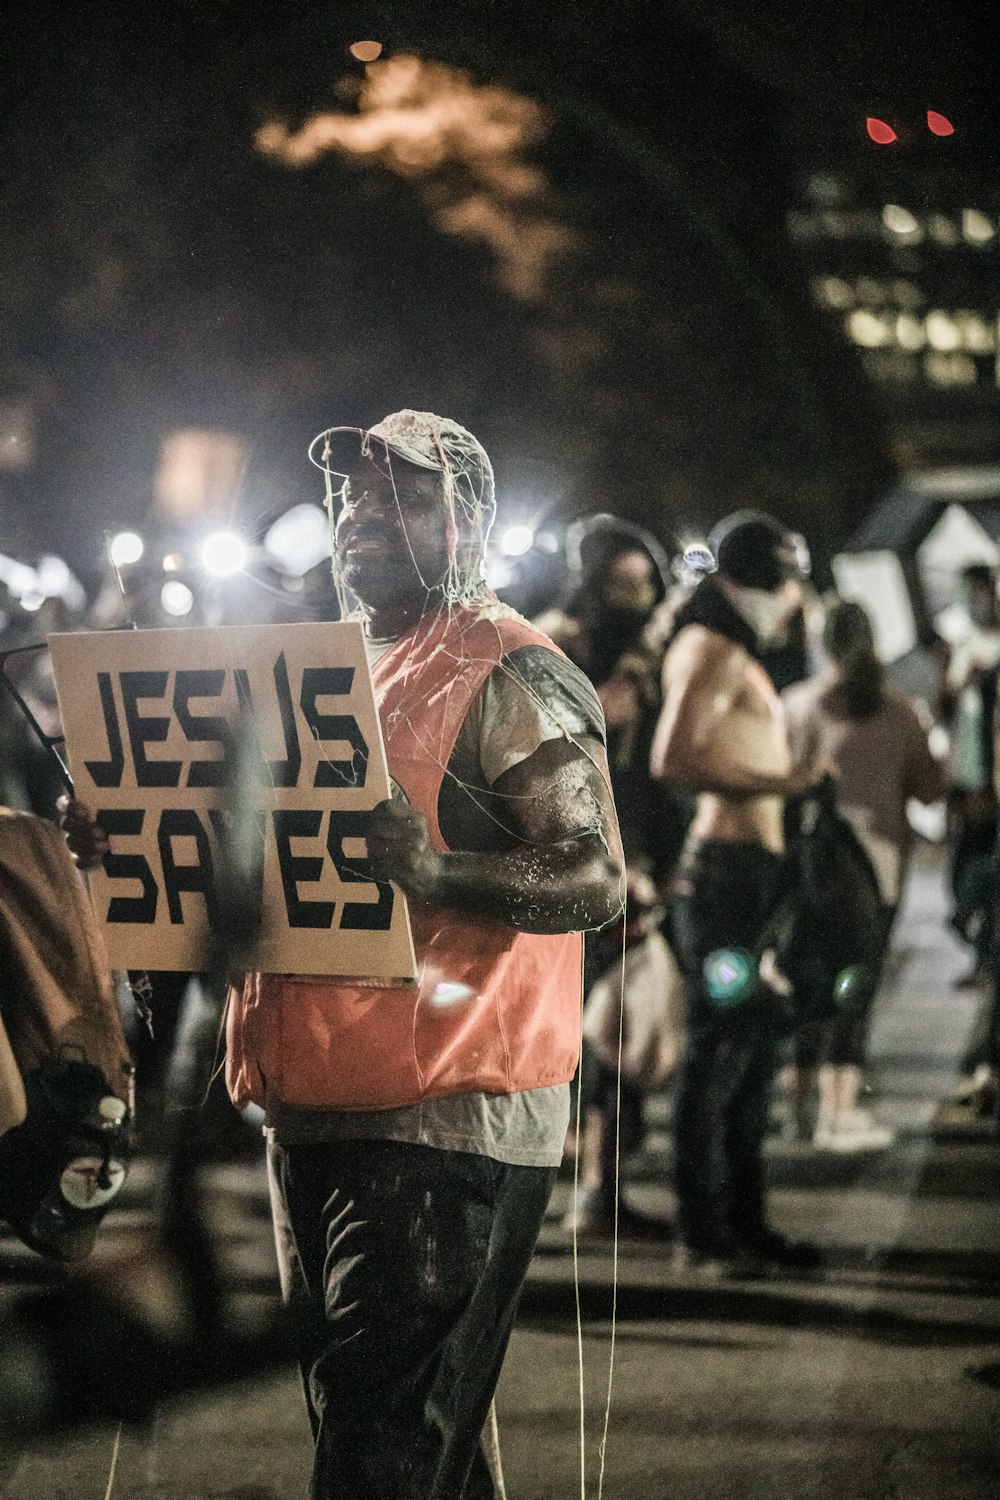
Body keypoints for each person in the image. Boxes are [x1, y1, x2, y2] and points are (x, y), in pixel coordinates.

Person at [223, 411, 625, 1500]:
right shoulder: (337, 671)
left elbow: (594, 877)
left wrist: (437, 873)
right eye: (351, 496)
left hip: (447, 1111)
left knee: (384, 1448)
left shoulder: (509, 668)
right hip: (316, 1105)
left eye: (398, 495)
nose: (361, 516)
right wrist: (129, 836)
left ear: (472, 521)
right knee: (401, 1440)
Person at [650, 509, 822, 1279]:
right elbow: (674, 757)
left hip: (748, 878)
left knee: (749, 1052)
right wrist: (785, 782)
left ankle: (744, 1222)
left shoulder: (731, 647)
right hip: (723, 876)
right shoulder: (712, 648)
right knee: (719, 1049)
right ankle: (703, 1227)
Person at [535, 516, 689, 1237]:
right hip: (587, 854)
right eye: (623, 584)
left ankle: (603, 1183)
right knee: (602, 1028)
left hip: (639, 852)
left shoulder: (644, 648)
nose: (640, 595)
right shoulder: (561, 637)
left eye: (647, 583)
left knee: (620, 1022)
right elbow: (578, 733)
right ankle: (592, 1188)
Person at [782, 598, 946, 1151]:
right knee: (855, 986)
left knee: (807, 984)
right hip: (879, 869)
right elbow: (929, 790)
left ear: (821, 643)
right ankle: (840, 1111)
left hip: (809, 869)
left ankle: (799, 1105)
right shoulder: (901, 712)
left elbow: (779, 785)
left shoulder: (796, 707)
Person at [938, 563, 1000, 988]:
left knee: (985, 875)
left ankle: (987, 961)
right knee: (964, 875)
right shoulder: (957, 644)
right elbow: (948, 713)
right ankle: (981, 952)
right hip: (966, 775)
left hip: (991, 782)